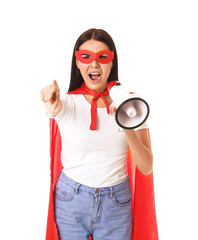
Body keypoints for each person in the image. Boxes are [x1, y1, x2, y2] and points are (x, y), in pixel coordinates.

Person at [40, 28, 156, 240]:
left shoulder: (132, 105)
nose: (94, 64)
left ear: (112, 62)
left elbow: (146, 166)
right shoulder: (68, 103)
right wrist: (50, 101)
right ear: (77, 62)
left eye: (102, 57)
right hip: (70, 201)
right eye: (86, 57)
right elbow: (54, 107)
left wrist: (126, 121)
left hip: (116, 205)